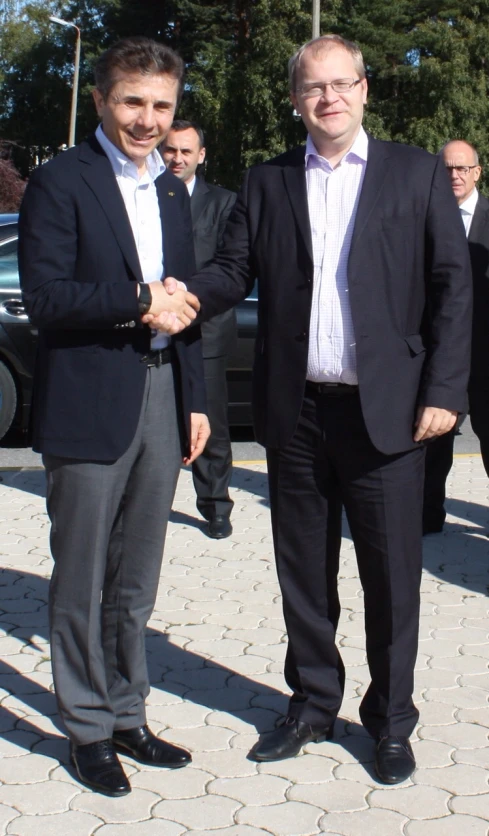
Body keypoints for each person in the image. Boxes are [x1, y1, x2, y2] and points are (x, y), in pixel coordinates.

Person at [151, 35, 472, 784]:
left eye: (340, 84)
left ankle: (390, 720)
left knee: (391, 579)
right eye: (311, 87)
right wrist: (184, 295)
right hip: (292, 416)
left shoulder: (415, 173)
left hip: (386, 416)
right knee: (303, 574)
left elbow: (452, 291)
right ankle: (311, 702)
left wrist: (445, 393)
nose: (327, 98)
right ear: (294, 99)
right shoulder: (267, 182)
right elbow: (234, 269)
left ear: (363, 89)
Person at [18, 37, 210, 798]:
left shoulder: (168, 187)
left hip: (163, 398)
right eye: (133, 101)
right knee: (82, 575)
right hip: (90, 404)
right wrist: (138, 301)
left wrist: (195, 400)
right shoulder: (61, 181)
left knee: (136, 579)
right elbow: (47, 298)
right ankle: (87, 727)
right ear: (101, 100)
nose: (147, 119)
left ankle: (129, 711)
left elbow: (185, 302)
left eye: (161, 105)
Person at [161, 121, 237, 539]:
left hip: (203, 330)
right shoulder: (144, 198)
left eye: (186, 151)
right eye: (170, 150)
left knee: (210, 425)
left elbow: (229, 269)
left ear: (201, 155)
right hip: (150, 330)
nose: (177, 158)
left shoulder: (224, 204)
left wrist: (186, 301)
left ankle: (215, 505)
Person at [423, 140, 489, 533]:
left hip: (486, 354)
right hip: (440, 352)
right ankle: (427, 518)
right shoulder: (424, 216)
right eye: (448, 168)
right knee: (433, 441)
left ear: (477, 172)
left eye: (463, 168)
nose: (455, 176)